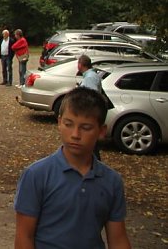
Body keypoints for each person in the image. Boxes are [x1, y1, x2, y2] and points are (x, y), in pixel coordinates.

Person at [13, 87, 130, 249]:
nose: (75, 134)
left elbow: (118, 240)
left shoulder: (111, 181)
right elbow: (24, 237)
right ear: (59, 123)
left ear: (101, 131)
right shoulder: (36, 175)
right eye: (69, 124)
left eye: (86, 128)